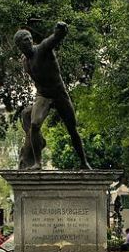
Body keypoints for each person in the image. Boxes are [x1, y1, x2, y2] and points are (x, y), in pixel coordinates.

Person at [15, 22, 91, 170]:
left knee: (72, 129)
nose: (29, 41)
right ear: (19, 45)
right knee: (34, 124)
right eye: (25, 40)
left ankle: (84, 161)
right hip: (43, 95)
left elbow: (55, 38)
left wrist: (60, 30)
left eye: (30, 38)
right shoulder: (25, 62)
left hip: (59, 93)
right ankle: (37, 163)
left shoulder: (42, 49)